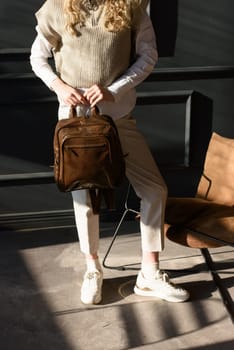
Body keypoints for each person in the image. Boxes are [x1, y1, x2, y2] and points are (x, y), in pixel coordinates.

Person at [30, 0, 189, 305]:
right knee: (85, 196)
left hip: (118, 119)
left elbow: (148, 56)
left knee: (154, 190)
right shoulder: (58, 6)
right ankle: (93, 269)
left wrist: (113, 89)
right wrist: (60, 87)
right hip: (77, 122)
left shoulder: (132, 6)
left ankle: (149, 273)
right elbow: (37, 57)